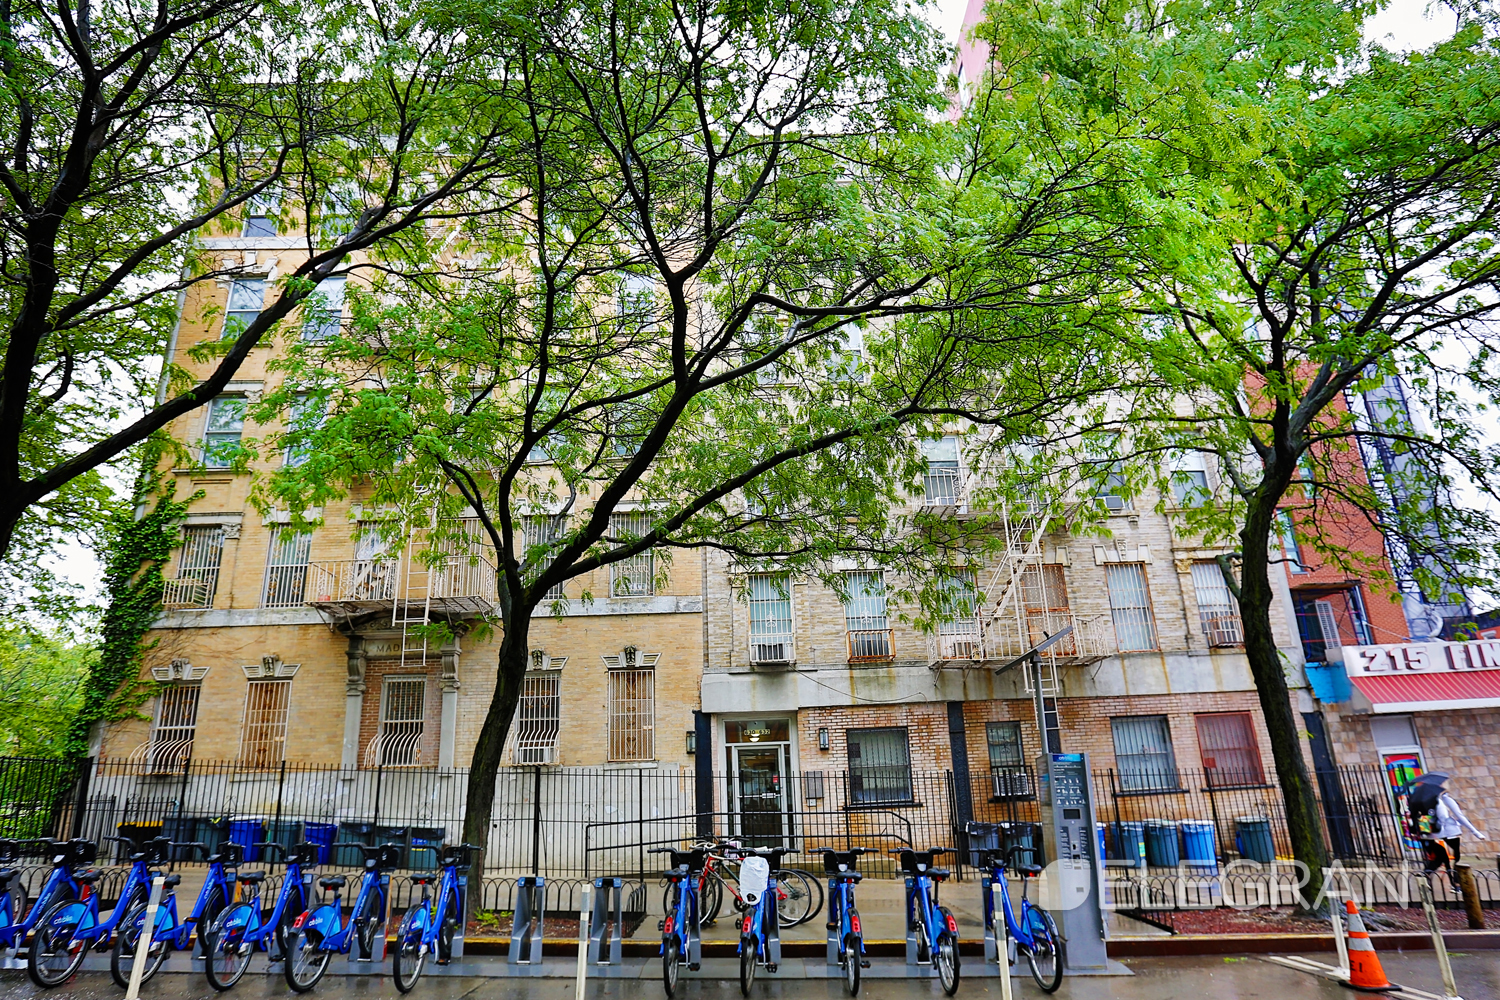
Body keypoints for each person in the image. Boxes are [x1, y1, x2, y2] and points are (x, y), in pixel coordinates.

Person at [1408, 772, 1488, 876]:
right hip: (1448, 832)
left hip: (1430, 833)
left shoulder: (1422, 799)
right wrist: (1475, 832)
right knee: (1456, 858)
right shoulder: (1444, 798)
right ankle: (1455, 879)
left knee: (1441, 857)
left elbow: (1416, 816)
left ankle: (1427, 874)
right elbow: (1457, 816)